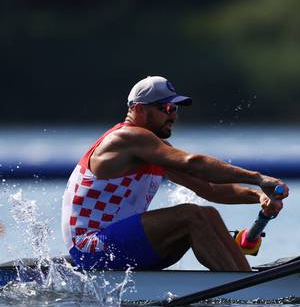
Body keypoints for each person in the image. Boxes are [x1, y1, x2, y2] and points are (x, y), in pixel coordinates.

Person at [61, 75, 288, 271]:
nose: (173, 116)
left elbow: (209, 189)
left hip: (116, 246)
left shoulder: (152, 151)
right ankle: (243, 285)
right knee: (195, 216)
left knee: (207, 215)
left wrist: (258, 195)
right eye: (166, 109)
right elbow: (193, 163)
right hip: (90, 248)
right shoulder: (126, 138)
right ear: (139, 109)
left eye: (175, 109)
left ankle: (242, 278)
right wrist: (258, 178)